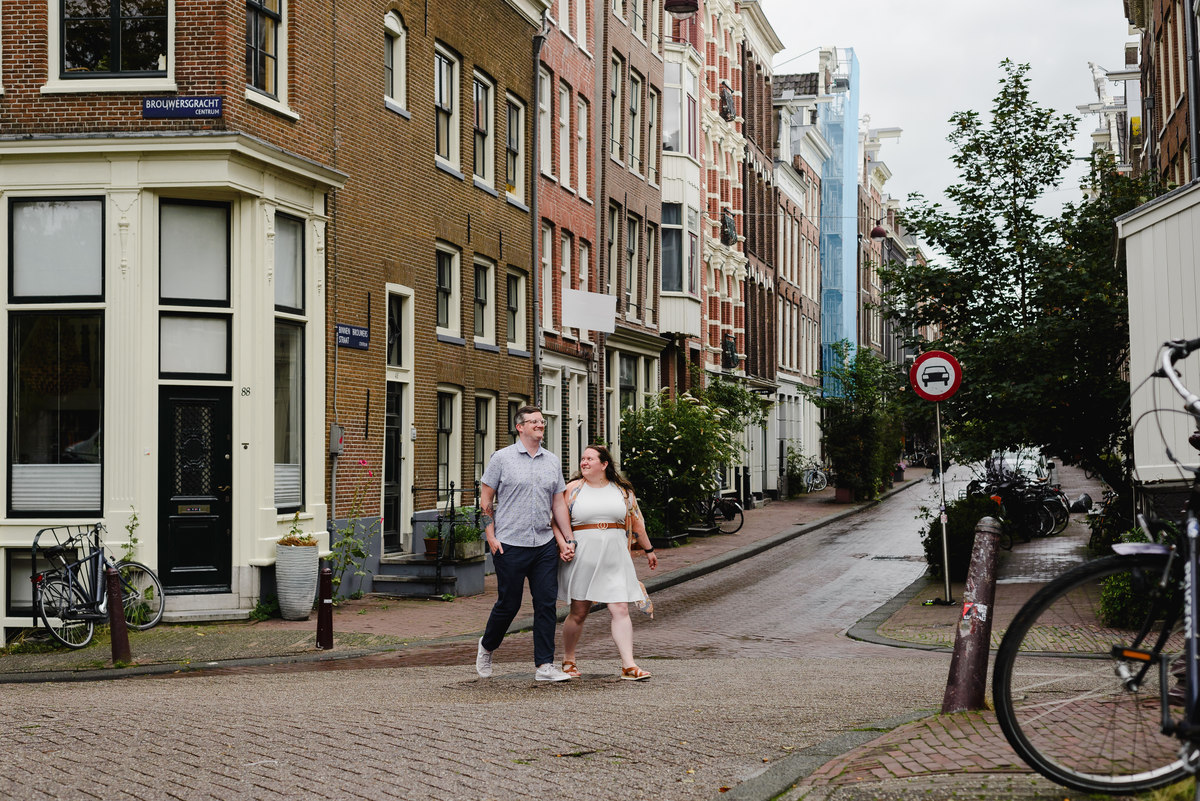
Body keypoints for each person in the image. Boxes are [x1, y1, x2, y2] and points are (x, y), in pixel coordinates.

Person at [475, 405, 577, 682]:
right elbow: (485, 502)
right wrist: (491, 537)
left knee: (546, 604)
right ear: (519, 427)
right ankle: (487, 646)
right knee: (509, 604)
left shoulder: (552, 461)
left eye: (542, 421)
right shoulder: (501, 459)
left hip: (544, 543)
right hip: (509, 543)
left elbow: (558, 504)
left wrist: (568, 539)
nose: (540, 425)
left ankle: (544, 665)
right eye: (534, 421)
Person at [556, 444, 658, 681]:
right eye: (582, 458)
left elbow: (636, 521)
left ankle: (629, 665)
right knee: (579, 611)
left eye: (590, 458)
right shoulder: (572, 489)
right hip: (584, 555)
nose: (584, 462)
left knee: (620, 608)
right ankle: (568, 660)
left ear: (604, 464)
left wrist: (649, 549)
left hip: (614, 554)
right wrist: (563, 544)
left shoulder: (622, 491)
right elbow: (556, 521)